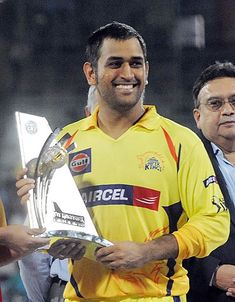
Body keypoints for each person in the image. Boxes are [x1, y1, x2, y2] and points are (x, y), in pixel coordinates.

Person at [16, 21, 230, 302]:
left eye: (136, 63)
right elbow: (52, 226)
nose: (128, 73)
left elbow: (214, 222)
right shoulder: (62, 143)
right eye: (115, 63)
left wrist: (147, 251)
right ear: (91, 72)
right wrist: (54, 237)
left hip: (156, 297)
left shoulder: (180, 141)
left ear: (147, 70)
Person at [17, 85, 98, 302]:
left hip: (67, 287)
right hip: (70, 287)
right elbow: (31, 250)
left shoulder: (59, 162)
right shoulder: (58, 161)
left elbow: (31, 251)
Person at [184, 61, 235, 302]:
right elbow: (163, 231)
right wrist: (213, 273)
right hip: (213, 295)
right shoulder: (180, 162)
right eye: (216, 104)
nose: (228, 110)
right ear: (198, 116)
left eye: (234, 101)